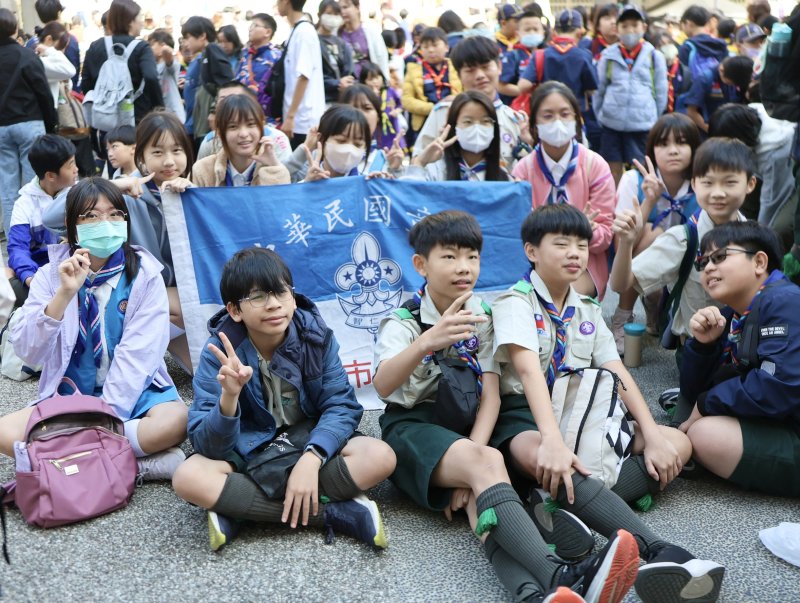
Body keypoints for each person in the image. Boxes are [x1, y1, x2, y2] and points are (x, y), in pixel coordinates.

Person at [374, 209, 641, 603]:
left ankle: (530, 594)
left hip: (466, 428)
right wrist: (427, 342)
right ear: (420, 264)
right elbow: (382, 385)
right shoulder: (404, 321)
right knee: (488, 465)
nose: (464, 267)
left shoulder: (482, 315)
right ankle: (559, 574)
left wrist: (472, 458)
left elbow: (491, 396)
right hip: (415, 427)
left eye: (472, 257)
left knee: (480, 500)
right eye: (449, 257)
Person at [491, 203, 725, 603]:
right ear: (531, 251)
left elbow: (616, 370)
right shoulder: (516, 302)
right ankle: (657, 550)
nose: (575, 253)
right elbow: (528, 373)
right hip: (525, 418)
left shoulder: (586, 309)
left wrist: (652, 434)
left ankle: (557, 506)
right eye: (561, 244)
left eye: (581, 245)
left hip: (579, 414)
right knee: (552, 457)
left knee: (676, 442)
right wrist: (553, 440)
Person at [172, 247, 396, 551]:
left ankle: (240, 509)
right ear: (235, 310)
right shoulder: (220, 353)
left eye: (281, 292)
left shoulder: (315, 337)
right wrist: (229, 397)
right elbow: (207, 444)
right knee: (187, 478)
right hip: (249, 448)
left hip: (306, 438)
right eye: (258, 297)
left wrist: (312, 459)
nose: (274, 304)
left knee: (381, 457)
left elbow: (341, 405)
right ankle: (336, 513)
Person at [1, 177, 188, 481]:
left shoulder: (145, 274)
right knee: (4, 432)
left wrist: (102, 418)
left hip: (134, 393)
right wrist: (63, 295)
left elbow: (138, 356)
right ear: (71, 224)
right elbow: (27, 350)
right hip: (69, 394)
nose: (106, 223)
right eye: (91, 216)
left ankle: (67, 460)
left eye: (115, 214)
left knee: (175, 421)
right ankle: (135, 465)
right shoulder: (50, 275)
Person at [610, 137, 756, 387]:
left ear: (750, 184)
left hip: (747, 346)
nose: (718, 192)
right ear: (695, 184)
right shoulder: (684, 238)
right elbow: (620, 284)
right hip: (699, 351)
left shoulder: (755, 237)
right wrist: (626, 243)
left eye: (730, 182)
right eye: (708, 182)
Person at [680, 221, 800, 498]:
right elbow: (691, 392)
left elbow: (780, 385)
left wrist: (706, 403)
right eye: (703, 262)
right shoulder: (734, 315)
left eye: (720, 257)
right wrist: (704, 346)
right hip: (784, 420)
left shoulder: (786, 301)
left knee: (704, 435)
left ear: (759, 262)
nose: (708, 268)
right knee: (697, 422)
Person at [512, 82, 615, 299]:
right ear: (534, 124)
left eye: (565, 114)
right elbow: (519, 230)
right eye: (548, 116)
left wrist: (587, 233)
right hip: (536, 262)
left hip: (583, 263)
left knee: (558, 294)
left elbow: (605, 235)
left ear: (577, 120)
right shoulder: (523, 170)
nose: (557, 122)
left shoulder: (595, 165)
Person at [611, 113, 701, 350]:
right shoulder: (633, 179)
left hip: (689, 262)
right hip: (644, 259)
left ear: (694, 148)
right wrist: (650, 200)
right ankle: (624, 315)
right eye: (663, 144)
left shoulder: (702, 183)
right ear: (652, 149)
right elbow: (622, 246)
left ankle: (664, 308)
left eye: (681, 142)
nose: (673, 151)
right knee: (653, 232)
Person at [414, 36, 533, 171]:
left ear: (499, 67)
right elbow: (417, 162)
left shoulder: (515, 120)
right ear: (459, 75)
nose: (480, 75)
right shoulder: (443, 113)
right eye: (470, 70)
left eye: (485, 67)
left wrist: (529, 144)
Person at [594, 4, 667, 185]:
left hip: (642, 124)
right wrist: (601, 115)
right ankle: (613, 200)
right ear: (617, 29)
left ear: (644, 27)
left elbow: (661, 91)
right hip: (611, 122)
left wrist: (653, 116)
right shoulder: (607, 56)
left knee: (641, 168)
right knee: (612, 169)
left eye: (635, 25)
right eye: (624, 26)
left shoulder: (654, 56)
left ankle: (640, 199)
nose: (630, 30)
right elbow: (599, 89)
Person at [0, 9, 58, 235]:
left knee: (7, 188)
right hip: (30, 123)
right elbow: (43, 93)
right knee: (35, 184)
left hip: (1, 128)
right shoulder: (27, 56)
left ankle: (15, 238)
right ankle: (39, 236)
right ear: (15, 28)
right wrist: (51, 124)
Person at [7, 135, 76, 307]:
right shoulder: (25, 203)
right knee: (7, 279)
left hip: (76, 270)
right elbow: (18, 248)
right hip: (40, 275)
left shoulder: (79, 193)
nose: (76, 169)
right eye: (71, 165)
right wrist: (30, 277)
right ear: (51, 175)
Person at [708, 103, 796, 230]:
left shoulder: (775, 153)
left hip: (792, 182)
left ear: (739, 138)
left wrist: (759, 233)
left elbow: (772, 201)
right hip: (767, 176)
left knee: (780, 228)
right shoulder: (750, 114)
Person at [81, 0, 164, 127]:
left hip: (103, 120)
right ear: (130, 21)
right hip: (136, 119)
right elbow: (151, 77)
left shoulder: (95, 46)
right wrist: (160, 108)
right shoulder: (142, 48)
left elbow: (86, 83)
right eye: (140, 17)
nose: (142, 22)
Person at [192, 93, 291, 187]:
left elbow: (282, 198)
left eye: (251, 124)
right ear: (220, 132)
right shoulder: (203, 170)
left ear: (262, 127)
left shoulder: (273, 165)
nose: (244, 134)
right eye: (233, 126)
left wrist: (273, 167)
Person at [407, 91, 509, 182]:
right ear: (454, 127)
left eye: (485, 121)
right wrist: (420, 162)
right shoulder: (437, 171)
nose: (477, 128)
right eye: (468, 122)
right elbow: (410, 194)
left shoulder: (502, 178)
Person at [517, 9, 597, 115]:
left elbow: (522, 86)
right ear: (579, 32)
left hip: (547, 114)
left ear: (554, 32)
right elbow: (591, 90)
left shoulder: (540, 55)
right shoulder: (584, 55)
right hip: (573, 114)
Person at [197, 82, 293, 164]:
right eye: (223, 101)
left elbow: (287, 176)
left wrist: (274, 167)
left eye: (237, 99)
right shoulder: (210, 142)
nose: (243, 134)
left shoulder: (276, 139)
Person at [276, 0, 326, 149]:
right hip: (297, 117)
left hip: (303, 120)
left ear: (286, 2)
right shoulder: (297, 30)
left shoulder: (304, 32)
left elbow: (304, 76)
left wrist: (291, 116)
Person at [181, 16, 234, 147]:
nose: (185, 43)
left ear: (202, 36)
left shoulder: (213, 49)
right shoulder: (205, 53)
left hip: (209, 124)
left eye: (188, 37)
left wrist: (214, 111)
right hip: (201, 123)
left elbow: (226, 82)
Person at [402, 27, 461, 140]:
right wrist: (435, 108)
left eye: (435, 45)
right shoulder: (413, 69)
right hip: (424, 123)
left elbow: (467, 92)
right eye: (425, 46)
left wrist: (455, 101)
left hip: (454, 119)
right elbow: (407, 100)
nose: (430, 50)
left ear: (446, 47)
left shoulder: (456, 67)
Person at [301, 105, 374, 182]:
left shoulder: (367, 184)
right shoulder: (305, 183)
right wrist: (308, 186)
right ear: (321, 140)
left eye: (357, 144)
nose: (349, 150)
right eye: (341, 141)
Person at [684, 56, 754, 134]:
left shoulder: (738, 73)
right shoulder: (704, 79)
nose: (733, 85)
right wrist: (712, 132)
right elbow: (691, 112)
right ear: (721, 70)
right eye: (731, 83)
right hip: (708, 129)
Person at [235, 13, 282, 115]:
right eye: (250, 25)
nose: (250, 29)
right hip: (240, 109)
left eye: (255, 25)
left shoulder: (276, 56)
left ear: (268, 32)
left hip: (264, 113)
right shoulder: (245, 54)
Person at [496, 9, 547, 104]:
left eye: (536, 29)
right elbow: (500, 85)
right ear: (517, 34)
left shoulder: (548, 54)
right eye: (527, 30)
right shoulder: (513, 55)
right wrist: (522, 91)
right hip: (519, 107)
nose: (532, 33)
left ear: (543, 32)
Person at [30, 0, 81, 91]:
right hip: (63, 94)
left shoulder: (32, 42)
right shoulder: (68, 39)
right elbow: (73, 72)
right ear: (59, 13)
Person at [358, 62, 406, 152]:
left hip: (391, 126)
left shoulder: (390, 91)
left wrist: (397, 111)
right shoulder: (364, 95)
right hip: (376, 129)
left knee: (395, 147)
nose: (375, 81)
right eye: (370, 79)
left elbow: (400, 104)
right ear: (364, 81)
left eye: (377, 77)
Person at [338, 0, 389, 81]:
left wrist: (385, 81)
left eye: (345, 7)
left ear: (357, 7)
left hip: (369, 83)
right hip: (347, 84)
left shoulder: (370, 31)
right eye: (339, 8)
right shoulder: (337, 33)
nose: (342, 11)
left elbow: (381, 58)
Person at [318, 0, 355, 104]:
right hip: (322, 98)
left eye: (336, 14)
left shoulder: (342, 44)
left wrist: (346, 82)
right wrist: (337, 83)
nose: (332, 18)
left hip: (341, 99)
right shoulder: (314, 41)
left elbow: (350, 70)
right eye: (329, 13)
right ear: (319, 15)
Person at [34, 21, 77, 111]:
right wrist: (49, 50)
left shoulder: (50, 60)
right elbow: (71, 71)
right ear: (49, 39)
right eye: (61, 46)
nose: (62, 52)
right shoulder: (40, 61)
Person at [147, 29, 186, 123]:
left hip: (174, 117)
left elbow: (168, 55)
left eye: (151, 45)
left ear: (162, 45)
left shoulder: (171, 65)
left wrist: (164, 49)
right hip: (160, 118)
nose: (148, 48)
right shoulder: (151, 68)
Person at [652, 32, 686, 114]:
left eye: (668, 44)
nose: (665, 48)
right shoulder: (652, 69)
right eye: (661, 45)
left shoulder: (684, 71)